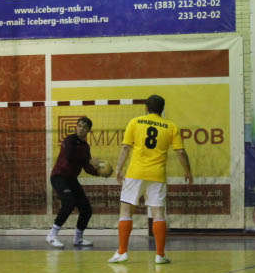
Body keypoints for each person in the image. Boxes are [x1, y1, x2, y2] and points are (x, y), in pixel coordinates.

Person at [109, 95, 192, 264]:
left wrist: (118, 169)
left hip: (135, 173)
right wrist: (188, 172)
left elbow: (125, 147)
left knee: (126, 211)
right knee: (158, 214)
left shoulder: (135, 122)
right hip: (157, 175)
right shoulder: (171, 126)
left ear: (146, 108)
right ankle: (160, 255)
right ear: (162, 109)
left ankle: (122, 252)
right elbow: (181, 152)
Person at [46, 116, 105, 248]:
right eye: (79, 126)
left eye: (84, 127)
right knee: (69, 203)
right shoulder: (69, 140)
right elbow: (69, 156)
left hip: (71, 179)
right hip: (59, 177)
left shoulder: (85, 146)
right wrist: (89, 161)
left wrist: (100, 172)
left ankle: (78, 238)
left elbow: (87, 167)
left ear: (88, 130)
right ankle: (52, 235)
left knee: (86, 209)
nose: (81, 129)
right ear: (76, 127)